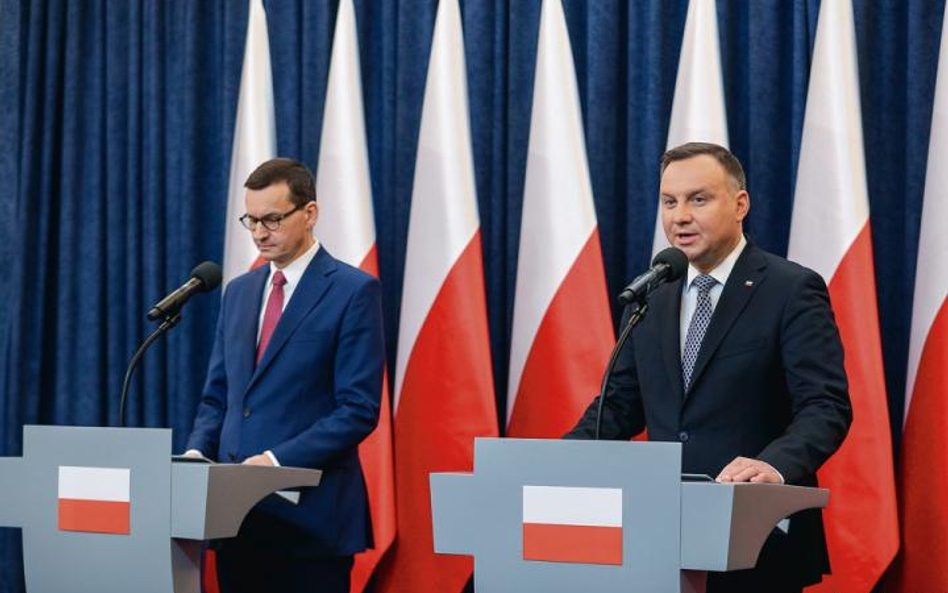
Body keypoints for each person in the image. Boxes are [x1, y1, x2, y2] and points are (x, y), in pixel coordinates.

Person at [566, 142, 851, 593]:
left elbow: (825, 405)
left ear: (740, 205)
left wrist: (772, 466)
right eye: (669, 201)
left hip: (756, 540)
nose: (680, 216)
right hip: (661, 538)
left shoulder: (790, 289)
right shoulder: (651, 295)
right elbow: (618, 408)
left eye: (698, 199)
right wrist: (551, 464)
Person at [185, 158, 385, 593]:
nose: (259, 233)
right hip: (237, 522)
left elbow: (357, 409)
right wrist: (198, 454)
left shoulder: (353, 291)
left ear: (309, 213)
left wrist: (274, 462)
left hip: (309, 524)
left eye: (272, 219)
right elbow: (219, 397)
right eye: (251, 220)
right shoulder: (238, 293)